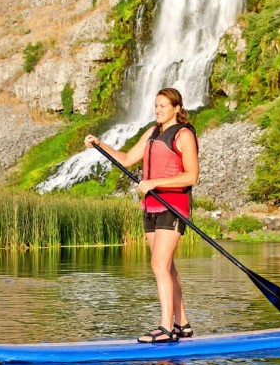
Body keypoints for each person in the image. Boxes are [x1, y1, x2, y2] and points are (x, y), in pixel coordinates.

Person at [84, 87, 199, 343]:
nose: (157, 109)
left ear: (177, 108)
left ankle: (166, 327)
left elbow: (191, 176)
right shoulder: (151, 132)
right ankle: (183, 323)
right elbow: (125, 159)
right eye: (155, 105)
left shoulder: (183, 135)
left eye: (163, 106)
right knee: (166, 266)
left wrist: (155, 182)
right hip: (150, 208)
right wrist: (99, 145)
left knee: (158, 264)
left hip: (172, 207)